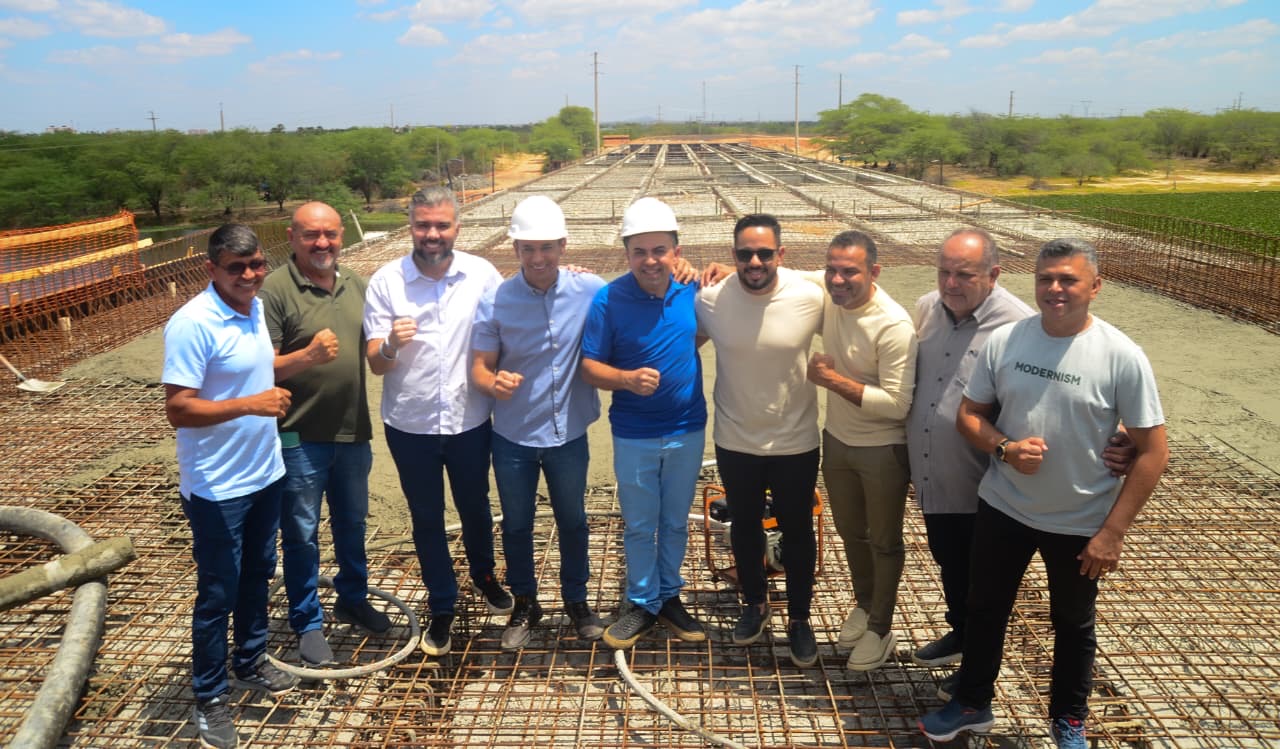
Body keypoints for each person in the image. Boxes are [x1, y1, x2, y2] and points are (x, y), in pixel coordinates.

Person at [918, 238, 1169, 749]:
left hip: (1078, 520)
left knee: (1073, 623)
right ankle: (972, 703)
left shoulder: (1121, 355)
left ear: (1095, 287)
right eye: (1045, 279)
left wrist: (1112, 533)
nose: (1055, 289)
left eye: (1068, 279)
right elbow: (970, 415)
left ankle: (1069, 718)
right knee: (984, 609)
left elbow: (1153, 452)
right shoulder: (1008, 341)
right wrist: (1006, 449)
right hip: (1004, 506)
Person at [163, 223, 298, 749]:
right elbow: (179, 408)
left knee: (259, 574)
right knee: (218, 592)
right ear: (211, 269)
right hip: (218, 487)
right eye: (236, 267)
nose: (248, 275)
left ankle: (251, 660)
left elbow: (256, 368)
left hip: (265, 473)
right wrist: (250, 404)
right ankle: (210, 696)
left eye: (256, 264)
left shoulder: (255, 308)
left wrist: (303, 360)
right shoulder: (192, 323)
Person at [363, 187, 513, 658]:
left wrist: (571, 277)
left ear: (456, 228)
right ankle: (442, 602)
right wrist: (390, 344)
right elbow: (375, 363)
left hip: (470, 419)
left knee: (476, 508)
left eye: (441, 225)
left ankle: (485, 577)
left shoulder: (482, 274)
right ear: (410, 226)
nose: (432, 234)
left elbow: (518, 310)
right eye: (423, 225)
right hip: (411, 424)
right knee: (426, 517)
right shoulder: (387, 281)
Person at [259, 202, 391, 669]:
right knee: (301, 532)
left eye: (330, 234)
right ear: (292, 238)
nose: (322, 243)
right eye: (311, 235)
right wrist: (307, 357)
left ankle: (353, 598)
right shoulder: (274, 290)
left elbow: (381, 344)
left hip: (352, 432)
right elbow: (258, 367)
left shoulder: (357, 284)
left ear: (341, 236)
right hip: (298, 437)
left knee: (353, 524)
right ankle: (307, 621)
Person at [470, 195, 606, 649]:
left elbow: (634, 293)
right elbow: (479, 368)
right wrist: (494, 383)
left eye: (547, 247)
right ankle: (526, 603)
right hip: (513, 435)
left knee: (573, 521)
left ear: (564, 246)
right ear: (515, 249)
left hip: (568, 433)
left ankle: (577, 601)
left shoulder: (590, 289)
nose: (538, 257)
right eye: (528, 248)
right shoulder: (496, 299)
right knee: (516, 525)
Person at [695, 214, 826, 667]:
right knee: (745, 527)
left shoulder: (809, 296)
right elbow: (679, 338)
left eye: (765, 254)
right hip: (736, 439)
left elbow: (850, 283)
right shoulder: (710, 299)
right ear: (732, 255)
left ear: (781, 255)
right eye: (745, 254)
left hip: (795, 441)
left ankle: (800, 618)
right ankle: (754, 603)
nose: (755, 262)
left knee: (798, 530)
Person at [581, 197, 708, 650]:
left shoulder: (692, 289)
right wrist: (626, 379)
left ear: (676, 251)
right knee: (639, 523)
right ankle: (641, 602)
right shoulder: (608, 299)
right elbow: (588, 366)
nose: (650, 261)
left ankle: (669, 596)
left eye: (660, 250)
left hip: (688, 428)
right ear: (627, 253)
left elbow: (704, 327)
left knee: (674, 521)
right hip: (634, 433)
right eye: (639, 251)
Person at [806, 230, 918, 672]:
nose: (837, 280)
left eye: (849, 271)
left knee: (884, 540)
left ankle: (881, 628)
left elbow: (898, 404)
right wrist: (723, 270)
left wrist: (832, 381)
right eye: (831, 269)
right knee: (851, 532)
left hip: (882, 448)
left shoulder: (892, 325)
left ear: (874, 272)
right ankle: (865, 601)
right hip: (837, 439)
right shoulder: (830, 292)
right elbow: (786, 275)